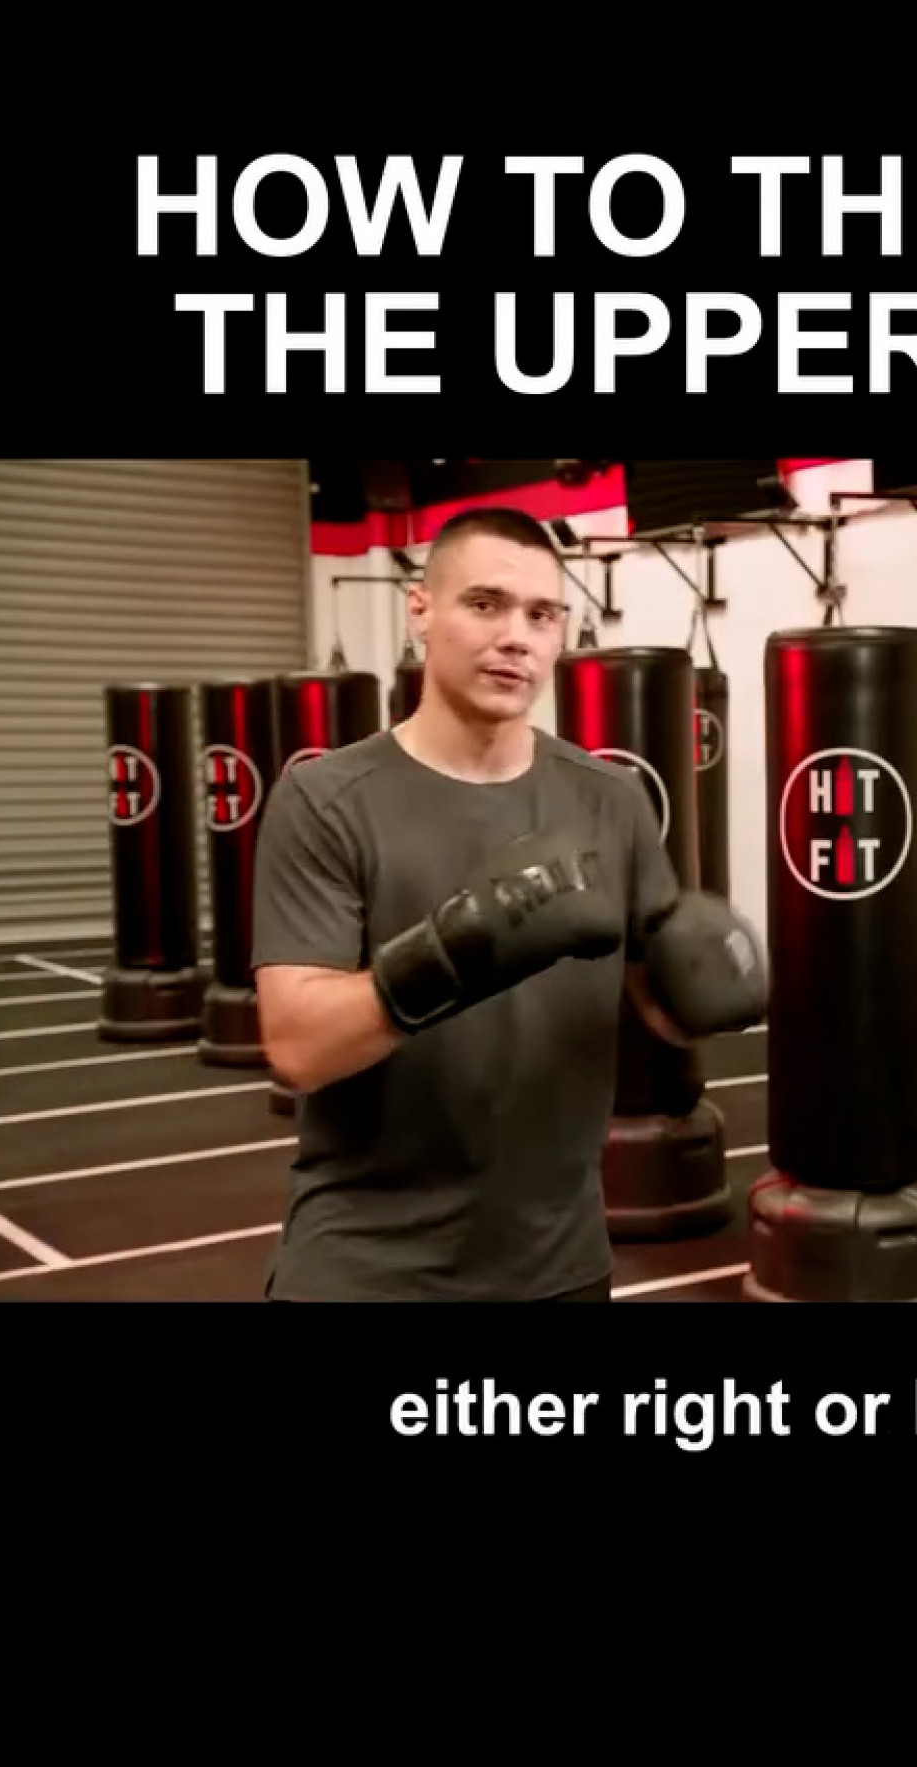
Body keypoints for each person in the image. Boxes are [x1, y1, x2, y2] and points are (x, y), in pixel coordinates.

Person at [251, 506, 766, 1302]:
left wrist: (702, 982)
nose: (516, 636)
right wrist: (462, 944)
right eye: (485, 604)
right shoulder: (325, 800)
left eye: (541, 614)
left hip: (561, 1264)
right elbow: (297, 1046)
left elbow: (658, 1011)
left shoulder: (611, 800)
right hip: (367, 1269)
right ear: (421, 610)